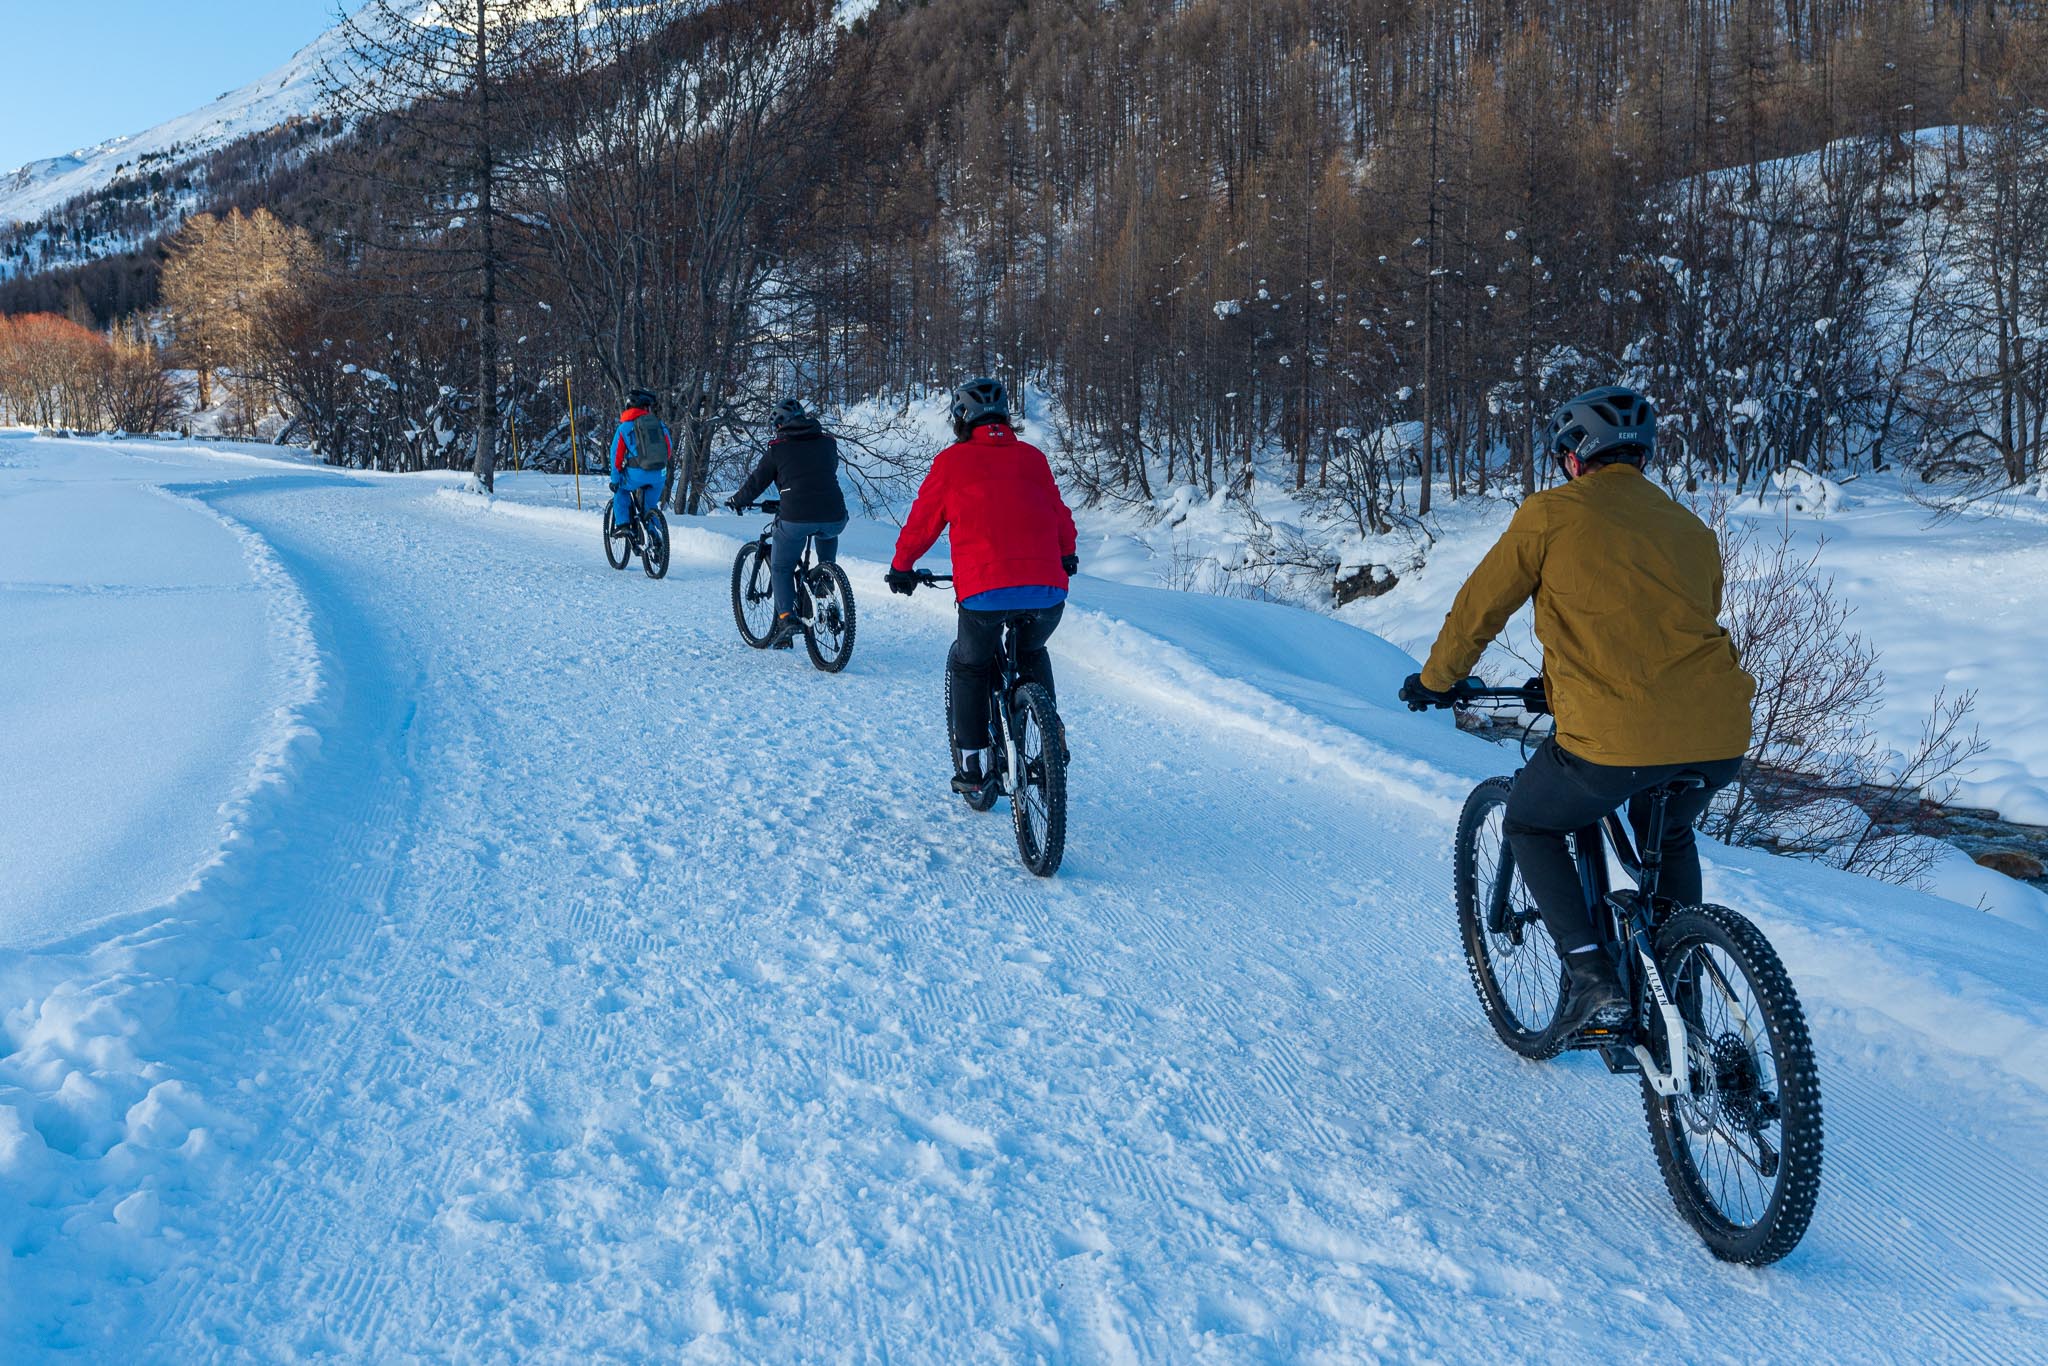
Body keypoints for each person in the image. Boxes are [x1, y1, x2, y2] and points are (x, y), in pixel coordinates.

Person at [1400, 386, 1756, 1038]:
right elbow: (1662, 626)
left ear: (1572, 457)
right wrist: (1560, 681)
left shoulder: (1549, 515)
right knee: (1668, 831)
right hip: (1720, 732)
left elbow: (1481, 609)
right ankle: (1689, 1006)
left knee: (1531, 822)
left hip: (1612, 739)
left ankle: (1592, 979)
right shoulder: (1688, 527)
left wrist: (1436, 680)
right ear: (1639, 457)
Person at [886, 378, 1079, 797]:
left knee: (969, 664)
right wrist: (1066, 553)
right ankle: (1050, 734)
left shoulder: (952, 463)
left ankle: (972, 763)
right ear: (1005, 416)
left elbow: (922, 524)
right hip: (1048, 591)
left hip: (985, 593)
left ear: (960, 419)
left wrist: (903, 567)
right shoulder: (1033, 459)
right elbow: (1060, 516)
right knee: (1031, 649)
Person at [726, 399, 851, 649]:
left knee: (781, 567)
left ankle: (786, 618)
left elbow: (756, 483)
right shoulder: (828, 443)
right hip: (834, 514)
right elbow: (820, 474)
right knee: (826, 531)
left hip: (796, 516)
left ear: (779, 425)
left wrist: (738, 501)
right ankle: (825, 577)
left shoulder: (778, 448)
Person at [609, 388, 672, 545]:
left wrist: (615, 479)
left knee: (621, 489)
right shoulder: (660, 425)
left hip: (636, 475)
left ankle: (623, 524)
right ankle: (656, 539)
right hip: (659, 474)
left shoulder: (624, 428)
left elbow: (616, 456)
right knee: (649, 506)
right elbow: (668, 450)